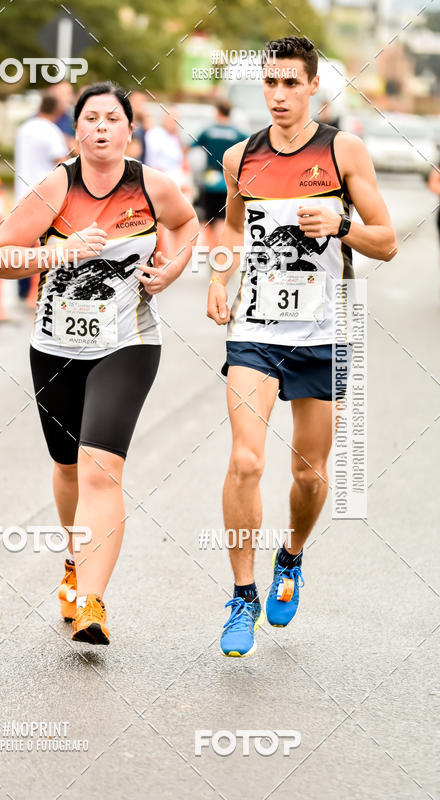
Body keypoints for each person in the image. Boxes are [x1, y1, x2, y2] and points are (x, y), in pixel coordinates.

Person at [0, 81, 199, 645]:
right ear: (75, 130)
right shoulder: (55, 187)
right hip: (55, 349)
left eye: (113, 118)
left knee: (101, 469)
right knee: (67, 469)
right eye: (91, 119)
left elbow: (186, 224)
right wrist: (56, 251)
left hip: (128, 343)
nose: (101, 127)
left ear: (130, 131)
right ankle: (76, 560)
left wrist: (172, 268)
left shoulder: (152, 186)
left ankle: (93, 605)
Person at [207, 36, 397, 657]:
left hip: (323, 333)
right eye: (271, 83)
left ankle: (290, 556)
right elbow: (232, 228)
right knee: (246, 462)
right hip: (255, 332)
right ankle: (242, 595)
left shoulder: (344, 151)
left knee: (309, 474)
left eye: (292, 83)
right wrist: (218, 276)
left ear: (313, 86)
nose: (280, 95)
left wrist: (340, 224)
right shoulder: (241, 157)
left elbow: (387, 241)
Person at [14, 93, 69, 300]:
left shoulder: (25, 128)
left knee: (23, 243)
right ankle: (40, 289)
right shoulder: (51, 131)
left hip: (22, 191)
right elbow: (61, 162)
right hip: (45, 195)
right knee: (44, 243)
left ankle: (22, 288)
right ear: (57, 110)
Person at [193, 100, 248, 251]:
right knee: (224, 219)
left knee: (209, 219)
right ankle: (223, 250)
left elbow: (191, 148)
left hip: (211, 181)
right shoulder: (238, 133)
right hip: (229, 181)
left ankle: (218, 251)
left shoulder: (208, 131)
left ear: (217, 112)